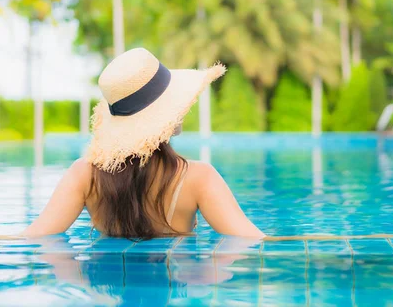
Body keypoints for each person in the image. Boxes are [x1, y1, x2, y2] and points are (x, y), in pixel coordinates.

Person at [21, 48, 264, 239]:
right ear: (169, 117)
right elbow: (251, 242)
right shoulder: (199, 178)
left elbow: (34, 238)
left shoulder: (84, 175)